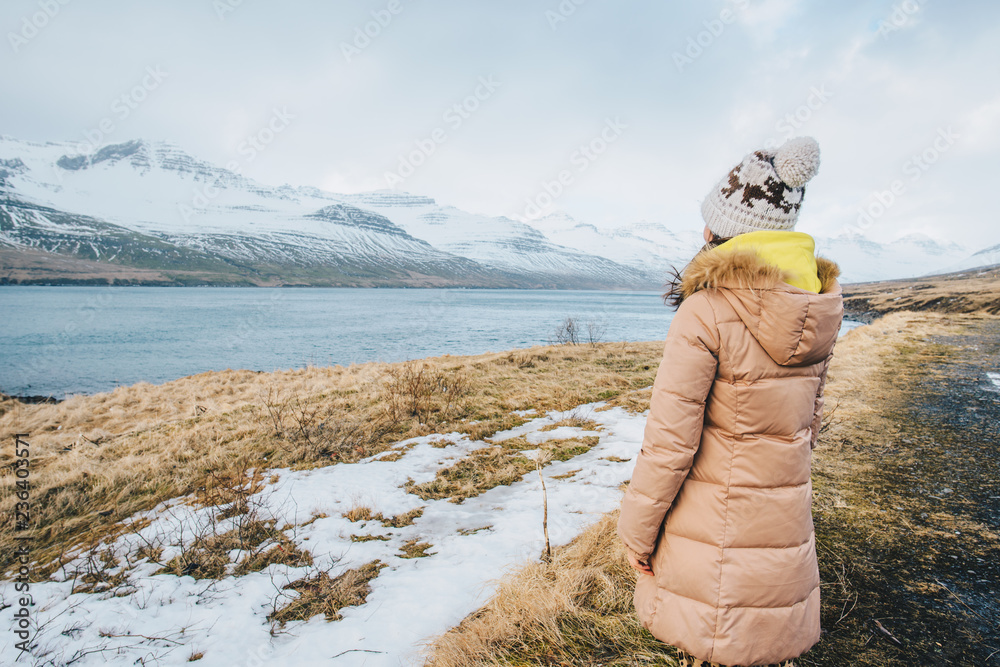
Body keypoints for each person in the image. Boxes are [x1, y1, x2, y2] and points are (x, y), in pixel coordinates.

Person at [617, 136, 843, 667]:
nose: (702, 231)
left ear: (724, 231)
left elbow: (670, 444)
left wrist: (636, 533)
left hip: (711, 525)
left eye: (710, 221)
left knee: (714, 640)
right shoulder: (815, 305)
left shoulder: (706, 312)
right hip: (783, 523)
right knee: (763, 636)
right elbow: (804, 430)